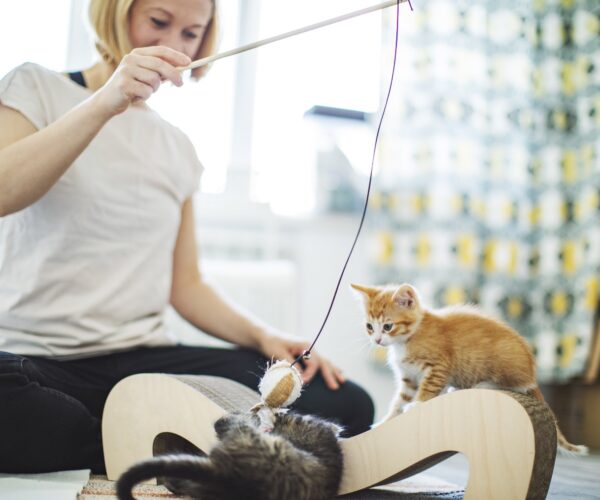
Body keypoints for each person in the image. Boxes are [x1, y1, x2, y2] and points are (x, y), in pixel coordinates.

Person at [0, 0, 374, 473]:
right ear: (117, 12)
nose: (174, 43)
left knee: (343, 403)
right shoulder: (35, 87)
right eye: (158, 21)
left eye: (191, 32)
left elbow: (187, 286)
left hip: (143, 363)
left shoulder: (176, 147)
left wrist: (266, 336)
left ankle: (137, 439)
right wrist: (107, 101)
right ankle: (174, 439)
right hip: (40, 363)